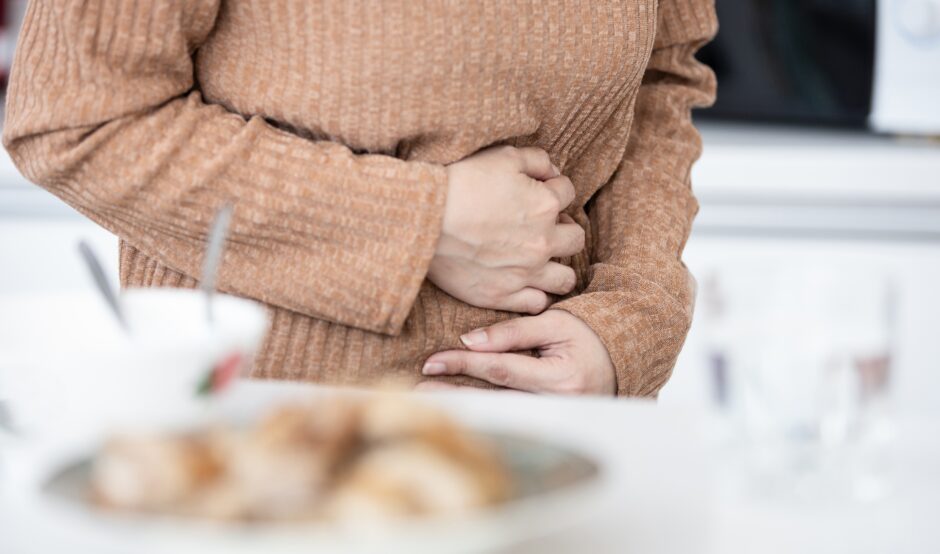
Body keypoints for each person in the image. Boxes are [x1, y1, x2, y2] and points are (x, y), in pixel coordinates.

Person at [3, 0, 717, 396]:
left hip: (552, 442)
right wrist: (421, 224)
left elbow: (662, 80)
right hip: (262, 446)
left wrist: (629, 324)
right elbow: (78, 121)